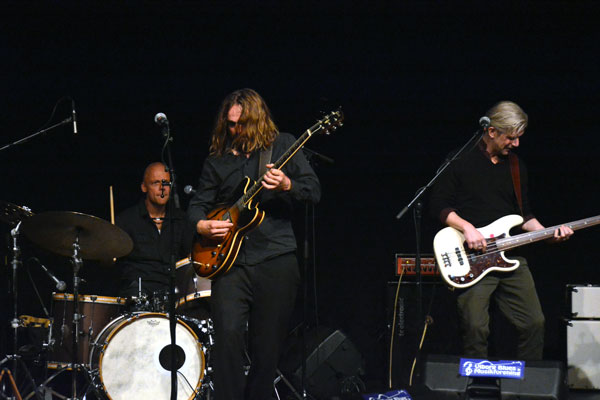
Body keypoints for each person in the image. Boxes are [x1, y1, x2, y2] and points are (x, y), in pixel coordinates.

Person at [187, 88, 321, 399]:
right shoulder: (217, 160)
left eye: (242, 124)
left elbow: (313, 191)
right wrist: (201, 224)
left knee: (267, 347)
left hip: (275, 257)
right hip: (230, 265)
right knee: (227, 338)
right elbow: (197, 204)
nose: (235, 130)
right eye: (231, 124)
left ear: (257, 120)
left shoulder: (283, 145)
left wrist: (287, 184)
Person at [429, 101, 573, 360]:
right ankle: (477, 381)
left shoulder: (516, 166)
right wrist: (467, 228)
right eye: (510, 137)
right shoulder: (460, 159)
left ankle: (527, 380)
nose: (516, 144)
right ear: (492, 131)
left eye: (518, 138)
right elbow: (439, 205)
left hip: (510, 255)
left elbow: (524, 215)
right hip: (473, 257)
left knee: (534, 323)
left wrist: (547, 233)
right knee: (475, 327)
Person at [115, 162, 195, 299]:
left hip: (173, 292)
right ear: (144, 187)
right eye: (155, 183)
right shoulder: (126, 220)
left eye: (166, 183)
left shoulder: (181, 219)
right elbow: (112, 257)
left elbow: (189, 257)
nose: (162, 188)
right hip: (138, 294)